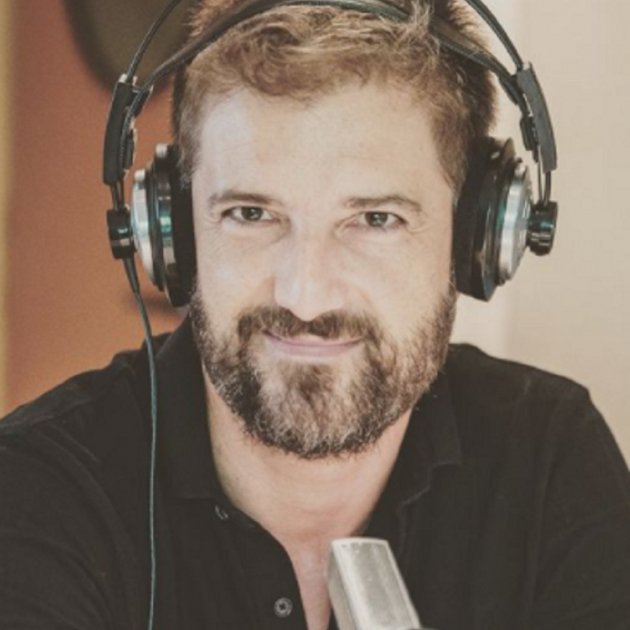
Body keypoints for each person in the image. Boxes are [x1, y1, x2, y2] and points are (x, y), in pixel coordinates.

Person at [1, 0, 629, 628]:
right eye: (251, 214)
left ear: (474, 240)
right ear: (173, 234)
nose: (305, 296)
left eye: (375, 219)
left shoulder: (550, 463)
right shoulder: (37, 489)